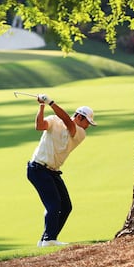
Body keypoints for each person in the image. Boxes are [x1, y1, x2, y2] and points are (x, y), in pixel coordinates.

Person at [26, 94, 97, 247]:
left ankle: (47, 238)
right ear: (79, 117)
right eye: (87, 122)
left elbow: (67, 121)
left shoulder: (79, 133)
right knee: (54, 204)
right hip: (37, 168)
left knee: (66, 206)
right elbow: (40, 126)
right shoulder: (54, 120)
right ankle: (48, 239)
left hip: (52, 171)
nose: (88, 126)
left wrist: (51, 102)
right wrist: (42, 106)